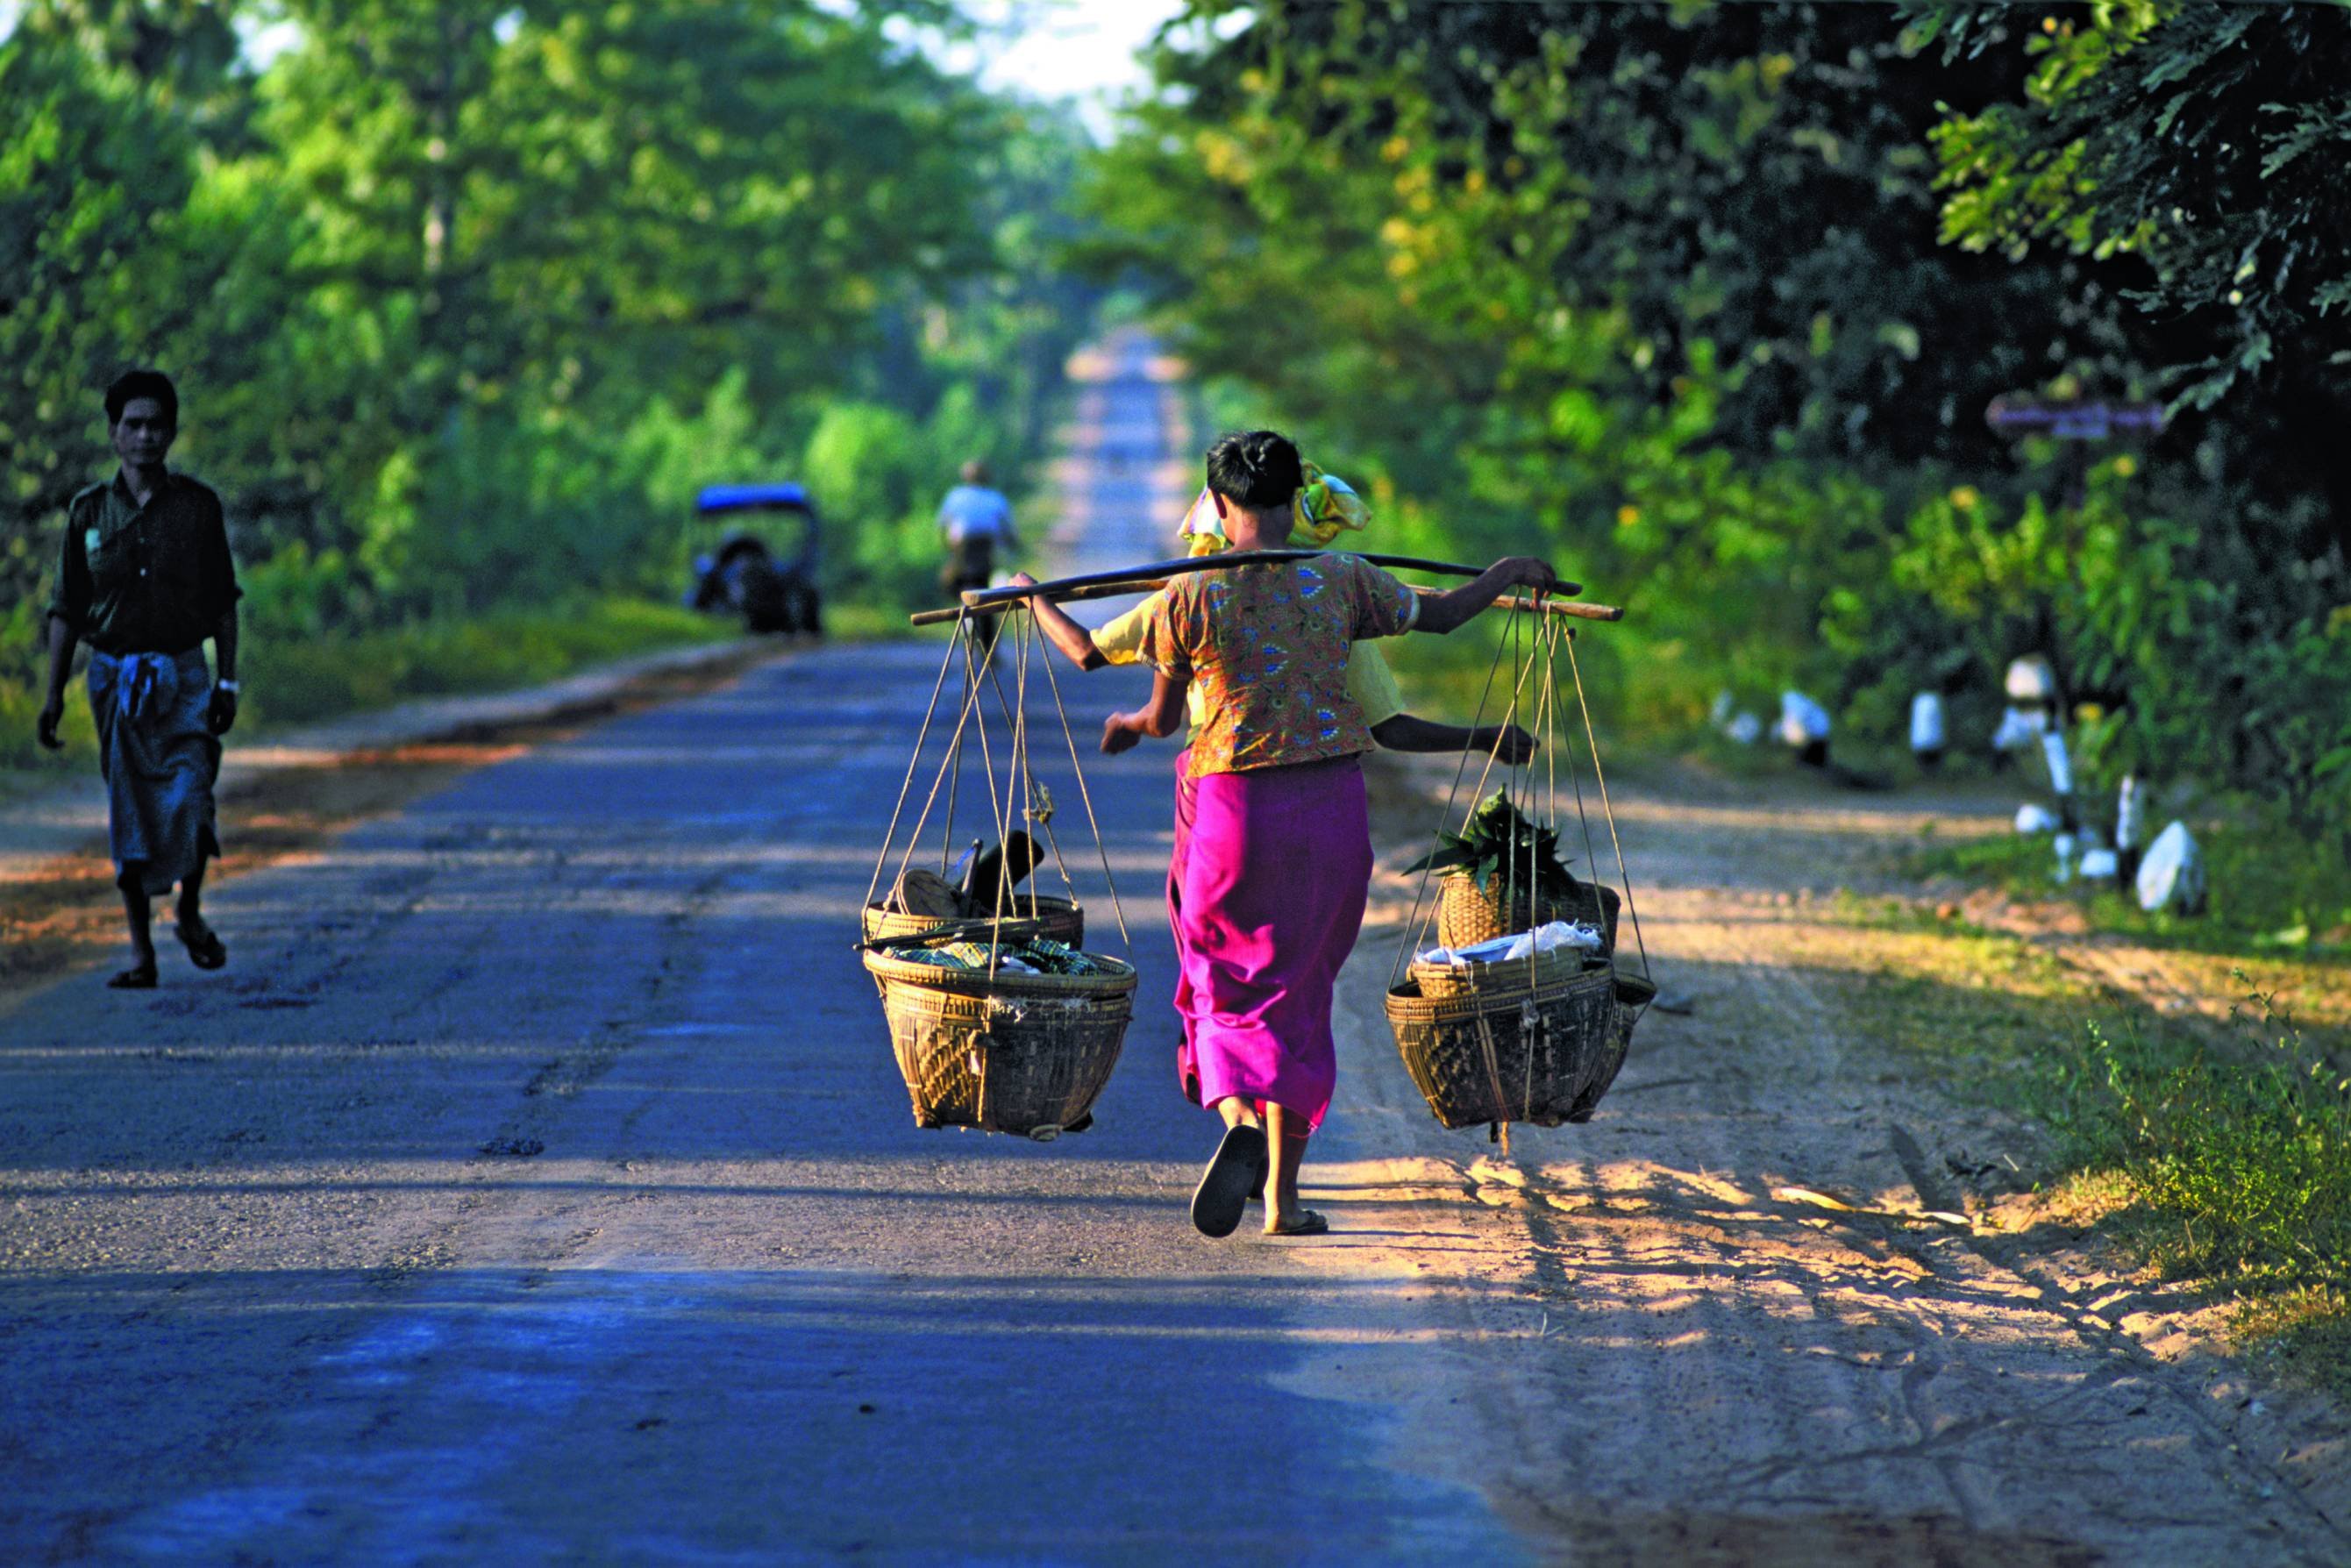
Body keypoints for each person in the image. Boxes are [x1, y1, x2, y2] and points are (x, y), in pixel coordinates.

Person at [1092, 431, 1557, 1238]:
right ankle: (1281, 1202)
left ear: (1221, 505)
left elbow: (1160, 718)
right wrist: (1508, 571)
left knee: (1220, 981)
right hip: (1329, 813)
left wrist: (1047, 621)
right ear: (1294, 503)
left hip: (1232, 817)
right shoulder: (1343, 580)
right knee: (1302, 993)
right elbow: (1442, 617)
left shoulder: (1188, 596)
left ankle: (1235, 1110)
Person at [36, 369, 242, 989]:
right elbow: (66, 609)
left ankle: (187, 909)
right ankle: (140, 952)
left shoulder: (198, 508)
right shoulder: (89, 513)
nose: (145, 436)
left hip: (182, 673)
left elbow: (223, 604)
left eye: (156, 425)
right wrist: (51, 696)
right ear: (114, 435)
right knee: (130, 808)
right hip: (115, 679)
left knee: (191, 796)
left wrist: (226, 682)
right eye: (133, 425)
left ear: (172, 432)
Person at [937, 459, 1018, 599]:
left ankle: (958, 607)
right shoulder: (995, 497)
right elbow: (1008, 529)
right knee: (998, 578)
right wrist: (1014, 545)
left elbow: (942, 526)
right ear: (987, 477)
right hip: (986, 547)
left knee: (948, 582)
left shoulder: (955, 495)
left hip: (960, 548)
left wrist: (946, 547)